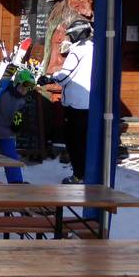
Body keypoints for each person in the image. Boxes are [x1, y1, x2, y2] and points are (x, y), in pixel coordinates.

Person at [38, 18, 93, 184]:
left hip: (75, 103)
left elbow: (65, 76)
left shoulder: (77, 51)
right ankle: (87, 174)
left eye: (70, 35)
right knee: (85, 141)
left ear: (77, 34)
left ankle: (78, 175)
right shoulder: (94, 48)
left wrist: (49, 78)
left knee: (74, 141)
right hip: (89, 102)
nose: (69, 38)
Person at [0, 68, 35, 183]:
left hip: (8, 134)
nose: (24, 90)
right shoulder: (4, 92)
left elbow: (21, 120)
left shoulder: (23, 101)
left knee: (11, 159)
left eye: (28, 88)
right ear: (17, 82)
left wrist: (18, 123)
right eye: (23, 86)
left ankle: (16, 182)